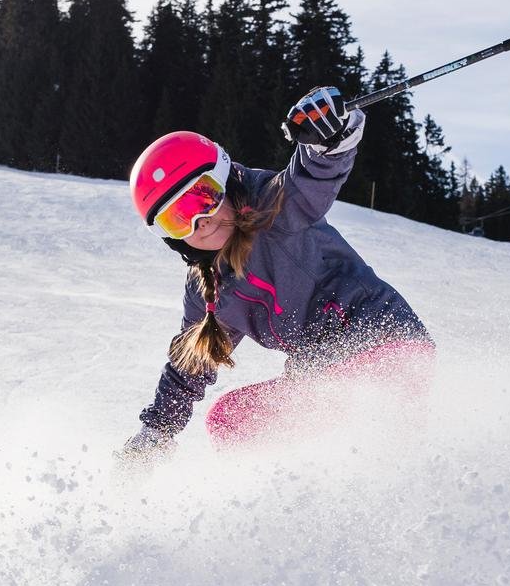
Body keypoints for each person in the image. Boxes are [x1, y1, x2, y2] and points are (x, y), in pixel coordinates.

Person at [125, 86, 430, 453]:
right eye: (178, 220)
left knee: (340, 417)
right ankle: (282, 503)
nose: (199, 222)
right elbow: (191, 362)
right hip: (322, 369)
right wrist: (157, 430)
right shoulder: (209, 294)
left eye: (202, 197)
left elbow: (311, 178)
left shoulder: (275, 208)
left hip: (382, 340)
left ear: (226, 179)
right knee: (231, 421)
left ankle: (398, 468)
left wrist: (325, 140)